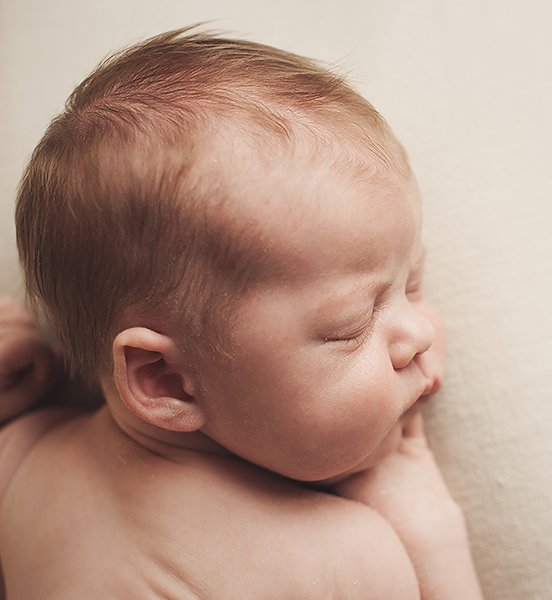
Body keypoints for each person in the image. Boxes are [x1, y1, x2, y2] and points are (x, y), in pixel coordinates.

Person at [0, 28, 483, 599]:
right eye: (353, 324)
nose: (420, 332)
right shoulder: (344, 558)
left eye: (412, 283)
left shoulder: (25, 454)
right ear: (167, 381)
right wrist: (428, 525)